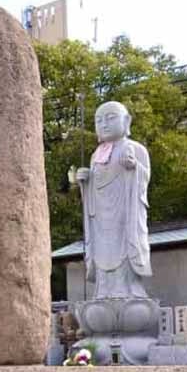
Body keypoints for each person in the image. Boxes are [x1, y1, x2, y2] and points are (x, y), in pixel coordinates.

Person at [75, 101, 152, 299]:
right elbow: (95, 186)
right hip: (100, 218)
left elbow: (144, 181)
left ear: (126, 121)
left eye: (110, 118)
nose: (104, 124)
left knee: (125, 248)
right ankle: (103, 292)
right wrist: (86, 181)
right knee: (102, 251)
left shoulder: (135, 149)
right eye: (98, 120)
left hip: (125, 214)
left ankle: (129, 291)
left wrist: (134, 167)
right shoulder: (96, 156)